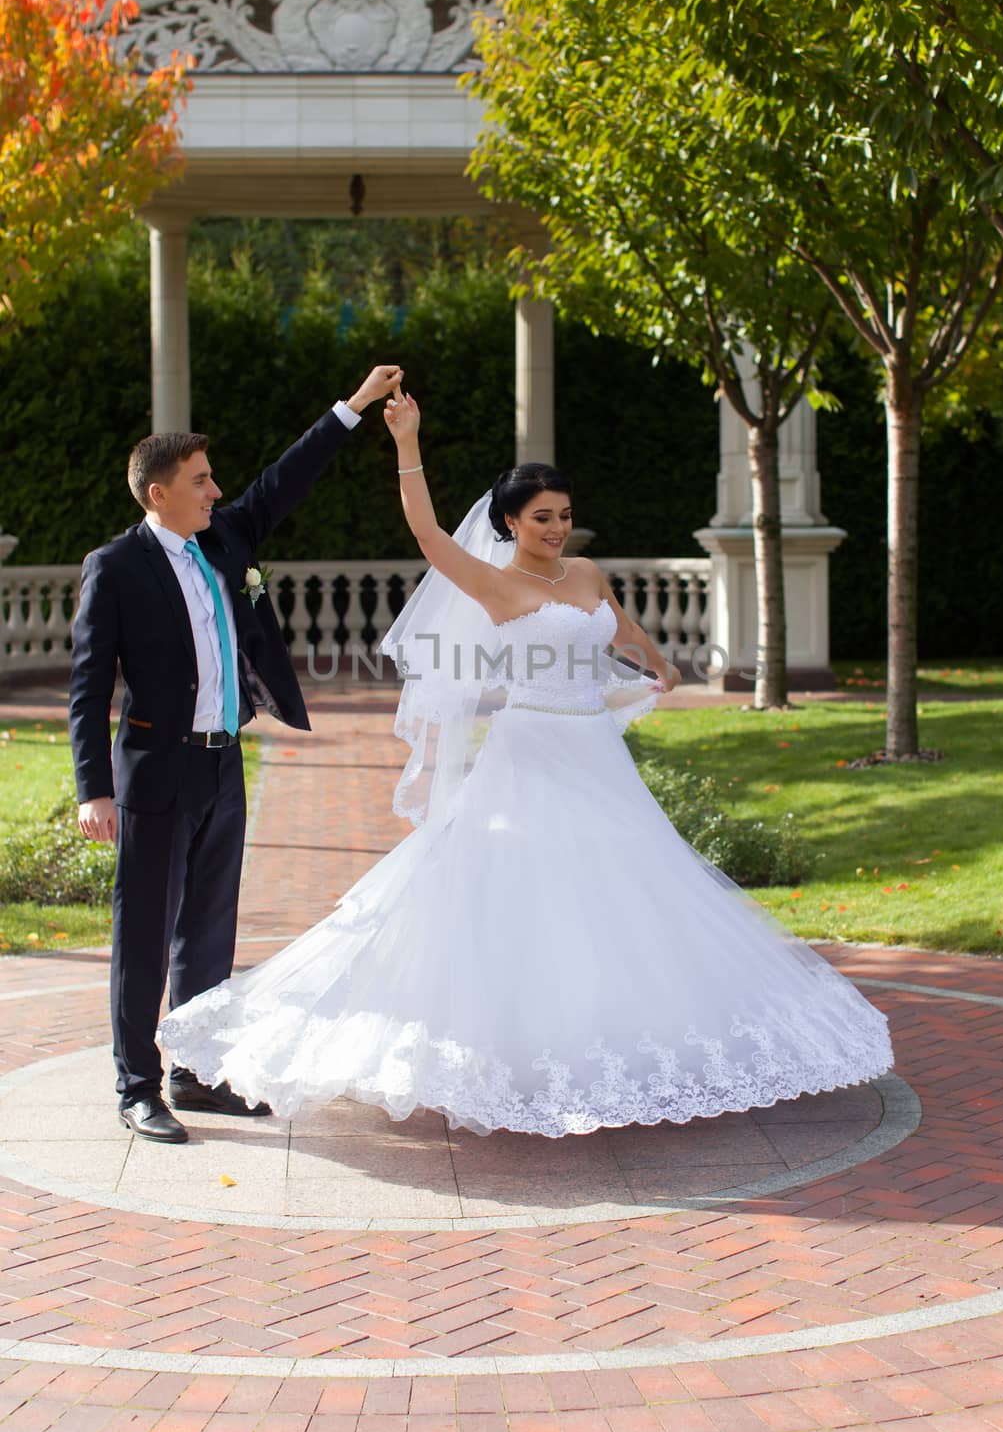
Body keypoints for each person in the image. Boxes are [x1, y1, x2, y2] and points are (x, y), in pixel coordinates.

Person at [158, 381, 894, 1136]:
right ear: (509, 522)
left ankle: (620, 1042)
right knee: (522, 889)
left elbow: (617, 627)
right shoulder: (495, 583)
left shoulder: (583, 575)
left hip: (594, 753)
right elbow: (425, 534)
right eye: (541, 517)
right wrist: (407, 440)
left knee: (625, 886)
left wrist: (657, 663)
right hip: (530, 748)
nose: (555, 527)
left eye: (564, 516)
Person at [69, 365, 403, 1144]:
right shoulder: (114, 568)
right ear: (159, 493)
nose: (216, 491)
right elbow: (87, 688)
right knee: (144, 932)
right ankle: (136, 1085)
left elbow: (286, 479)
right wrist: (94, 789)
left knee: (210, 931)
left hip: (224, 765)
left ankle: (195, 1070)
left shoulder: (224, 543)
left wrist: (351, 407)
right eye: (200, 480)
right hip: (155, 772)